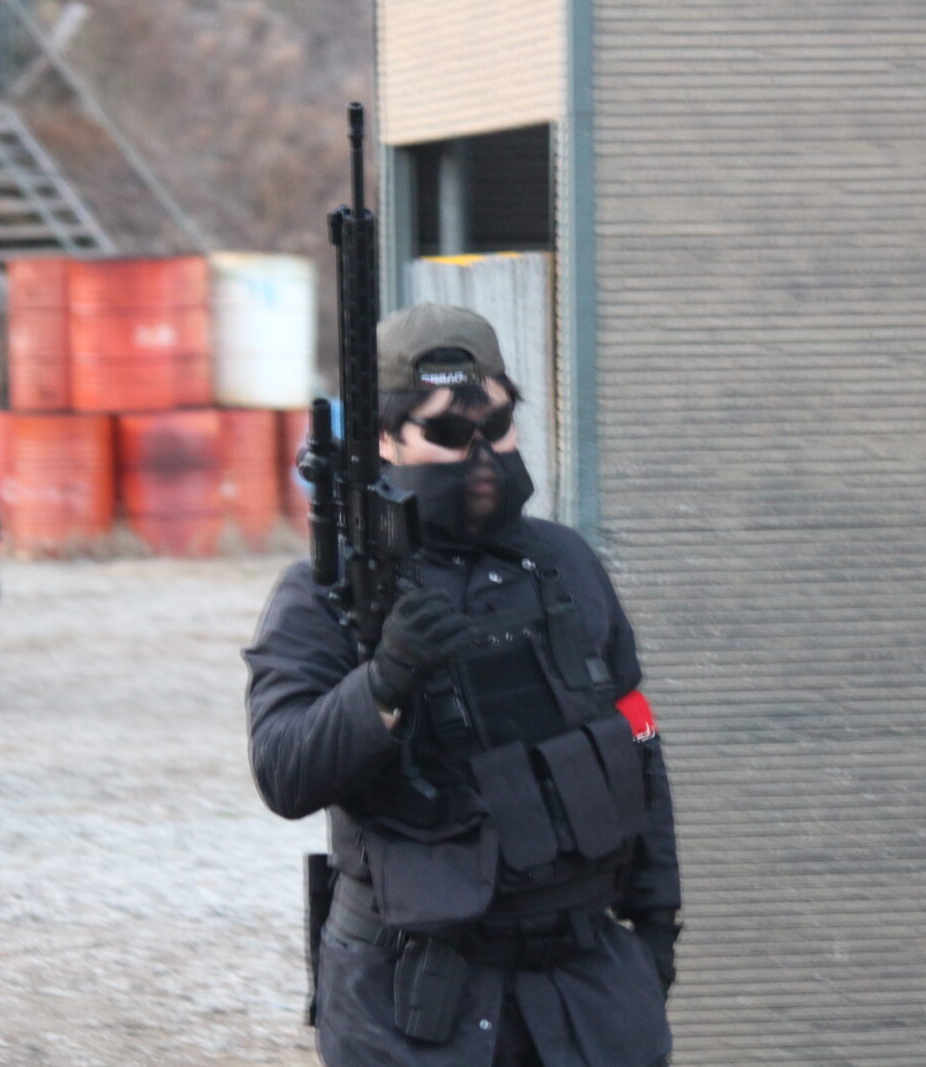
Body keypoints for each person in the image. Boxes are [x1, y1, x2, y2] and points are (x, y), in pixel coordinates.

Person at [245, 304, 682, 1066]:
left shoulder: (566, 563)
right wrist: (383, 681)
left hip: (586, 990)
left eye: (498, 425)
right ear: (385, 440)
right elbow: (284, 769)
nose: (481, 454)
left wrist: (654, 928)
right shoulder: (329, 593)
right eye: (448, 431)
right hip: (418, 1003)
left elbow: (638, 739)